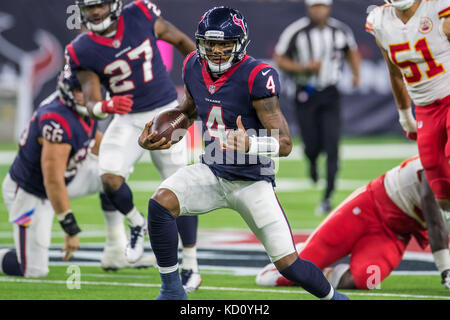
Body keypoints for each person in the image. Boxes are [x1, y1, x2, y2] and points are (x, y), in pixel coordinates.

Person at [138, 6, 349, 300]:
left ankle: (337, 298)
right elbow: (189, 111)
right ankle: (172, 291)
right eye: (210, 43)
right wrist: (164, 135)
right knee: (160, 204)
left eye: (224, 44)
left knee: (290, 265)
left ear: (240, 44)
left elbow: (285, 144)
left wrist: (251, 143)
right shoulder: (192, 66)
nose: (216, 51)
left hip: (251, 182)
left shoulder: (256, 75)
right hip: (212, 171)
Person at [66, 0, 201, 291]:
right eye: (90, 8)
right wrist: (106, 104)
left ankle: (190, 264)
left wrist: (200, 81)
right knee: (109, 177)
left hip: (167, 112)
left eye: (100, 5)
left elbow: (179, 40)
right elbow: (90, 101)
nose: (96, 12)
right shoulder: (81, 48)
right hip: (126, 118)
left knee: (183, 188)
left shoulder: (140, 13)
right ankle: (136, 222)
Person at [0, 68, 155, 277]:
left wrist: (127, 153)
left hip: (68, 177)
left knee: (112, 171)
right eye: (79, 89)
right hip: (32, 191)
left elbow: (96, 143)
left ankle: (116, 249)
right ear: (67, 91)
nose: (87, 93)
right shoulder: (56, 120)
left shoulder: (83, 108)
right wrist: (70, 228)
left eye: (89, 88)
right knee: (32, 270)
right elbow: (52, 181)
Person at [256, 156, 450, 290]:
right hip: (369, 206)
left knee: (368, 280)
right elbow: (434, 220)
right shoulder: (438, 159)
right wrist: (445, 270)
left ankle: (323, 272)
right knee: (291, 275)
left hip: (396, 232)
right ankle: (303, 253)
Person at [365, 0, 450, 229]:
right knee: (442, 192)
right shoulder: (380, 21)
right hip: (425, 109)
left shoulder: (439, 9)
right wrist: (404, 114)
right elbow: (395, 73)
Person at [274, 0, 361, 215]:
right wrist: (303, 68)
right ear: (308, 8)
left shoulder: (340, 30)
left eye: (322, 6)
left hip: (331, 93)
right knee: (311, 144)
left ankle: (327, 196)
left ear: (329, 8)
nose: (319, 10)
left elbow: (352, 51)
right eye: (315, 6)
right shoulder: (296, 31)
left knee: (332, 145)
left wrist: (356, 73)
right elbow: (280, 59)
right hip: (306, 93)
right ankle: (312, 162)